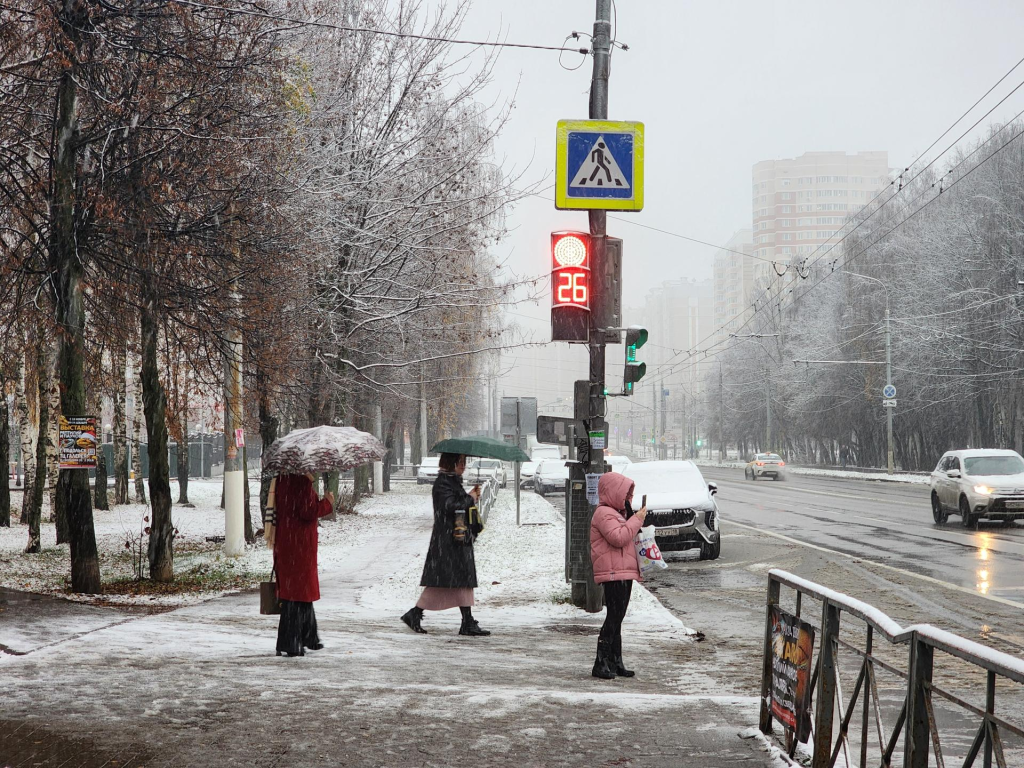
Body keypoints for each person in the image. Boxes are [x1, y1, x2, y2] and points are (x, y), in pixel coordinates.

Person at [401, 452, 489, 637]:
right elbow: (450, 506)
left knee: (460, 581)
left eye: (464, 462)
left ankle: (465, 621)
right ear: (450, 463)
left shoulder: (452, 481)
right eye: (460, 462)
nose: (463, 466)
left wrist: (470, 498)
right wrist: (470, 498)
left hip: (457, 538)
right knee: (450, 581)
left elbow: (457, 505)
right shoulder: (443, 483)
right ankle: (418, 614)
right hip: (449, 540)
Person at [589, 472, 647, 679]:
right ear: (614, 492)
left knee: (618, 617)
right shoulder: (604, 513)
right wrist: (636, 520)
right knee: (614, 617)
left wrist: (632, 518)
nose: (627, 498)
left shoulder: (617, 513)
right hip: (613, 572)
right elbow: (619, 538)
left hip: (622, 571)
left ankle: (615, 661)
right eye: (624, 494)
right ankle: (601, 662)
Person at [272, 473, 335, 657]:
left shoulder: (284, 480)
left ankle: (309, 637)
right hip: (300, 547)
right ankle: (292, 643)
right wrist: (327, 502)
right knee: (298, 595)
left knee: (299, 593)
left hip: (288, 544)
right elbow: (308, 511)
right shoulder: (301, 483)